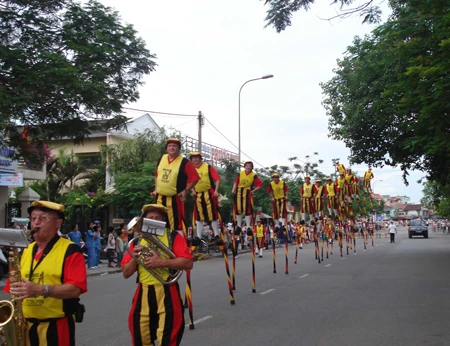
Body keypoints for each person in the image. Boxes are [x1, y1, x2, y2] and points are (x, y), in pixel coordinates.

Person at [4, 200, 87, 345]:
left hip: (56, 327)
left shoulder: (70, 250)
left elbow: (75, 289)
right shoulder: (25, 250)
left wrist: (40, 289)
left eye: (43, 218)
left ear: (58, 223)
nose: (36, 223)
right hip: (25, 327)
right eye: (33, 218)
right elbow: (12, 289)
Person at [122, 204, 193, 346]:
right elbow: (126, 273)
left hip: (167, 291)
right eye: (150, 218)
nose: (153, 220)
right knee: (139, 336)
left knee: (168, 338)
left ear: (163, 221)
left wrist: (161, 261)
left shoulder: (173, 236)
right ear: (144, 221)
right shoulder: (136, 241)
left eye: (157, 218)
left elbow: (187, 263)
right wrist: (135, 258)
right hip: (143, 292)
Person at [151, 138, 200, 234]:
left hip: (175, 199)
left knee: (175, 223)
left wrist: (186, 190)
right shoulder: (162, 158)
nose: (172, 148)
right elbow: (157, 175)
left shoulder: (185, 162)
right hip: (160, 197)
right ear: (166, 148)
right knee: (158, 220)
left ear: (178, 149)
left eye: (174, 146)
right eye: (170, 146)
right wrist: (156, 189)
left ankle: (176, 245)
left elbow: (195, 178)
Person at [189, 152, 222, 239]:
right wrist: (192, 190)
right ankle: (198, 236)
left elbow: (217, 178)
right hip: (198, 194)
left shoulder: (208, 167)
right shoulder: (190, 169)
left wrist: (216, 190)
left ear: (200, 159)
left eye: (197, 158)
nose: (195, 159)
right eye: (193, 158)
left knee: (213, 214)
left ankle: (216, 234)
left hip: (209, 193)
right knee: (199, 215)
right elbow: (188, 182)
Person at [232, 161, 263, 231]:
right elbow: (236, 182)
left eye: (250, 166)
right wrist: (233, 189)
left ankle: (248, 226)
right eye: (247, 166)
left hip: (247, 192)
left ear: (252, 167)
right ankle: (239, 226)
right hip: (239, 191)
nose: (248, 167)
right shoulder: (241, 173)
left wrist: (253, 191)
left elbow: (260, 184)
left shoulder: (253, 175)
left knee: (247, 209)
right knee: (238, 208)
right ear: (245, 166)